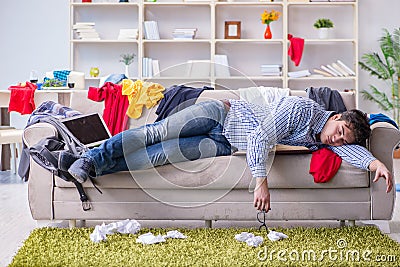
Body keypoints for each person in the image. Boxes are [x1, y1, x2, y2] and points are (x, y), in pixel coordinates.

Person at [66, 96, 393, 212]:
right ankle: (90, 158)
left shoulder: (323, 139)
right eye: (339, 132)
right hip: (220, 115)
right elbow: (261, 138)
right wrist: (260, 181)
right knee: (157, 133)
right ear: (336, 117)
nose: (337, 141)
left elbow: (351, 151)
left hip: (222, 144)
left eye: (341, 140)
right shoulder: (301, 110)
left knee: (158, 155)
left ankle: (91, 168)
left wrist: (376, 162)